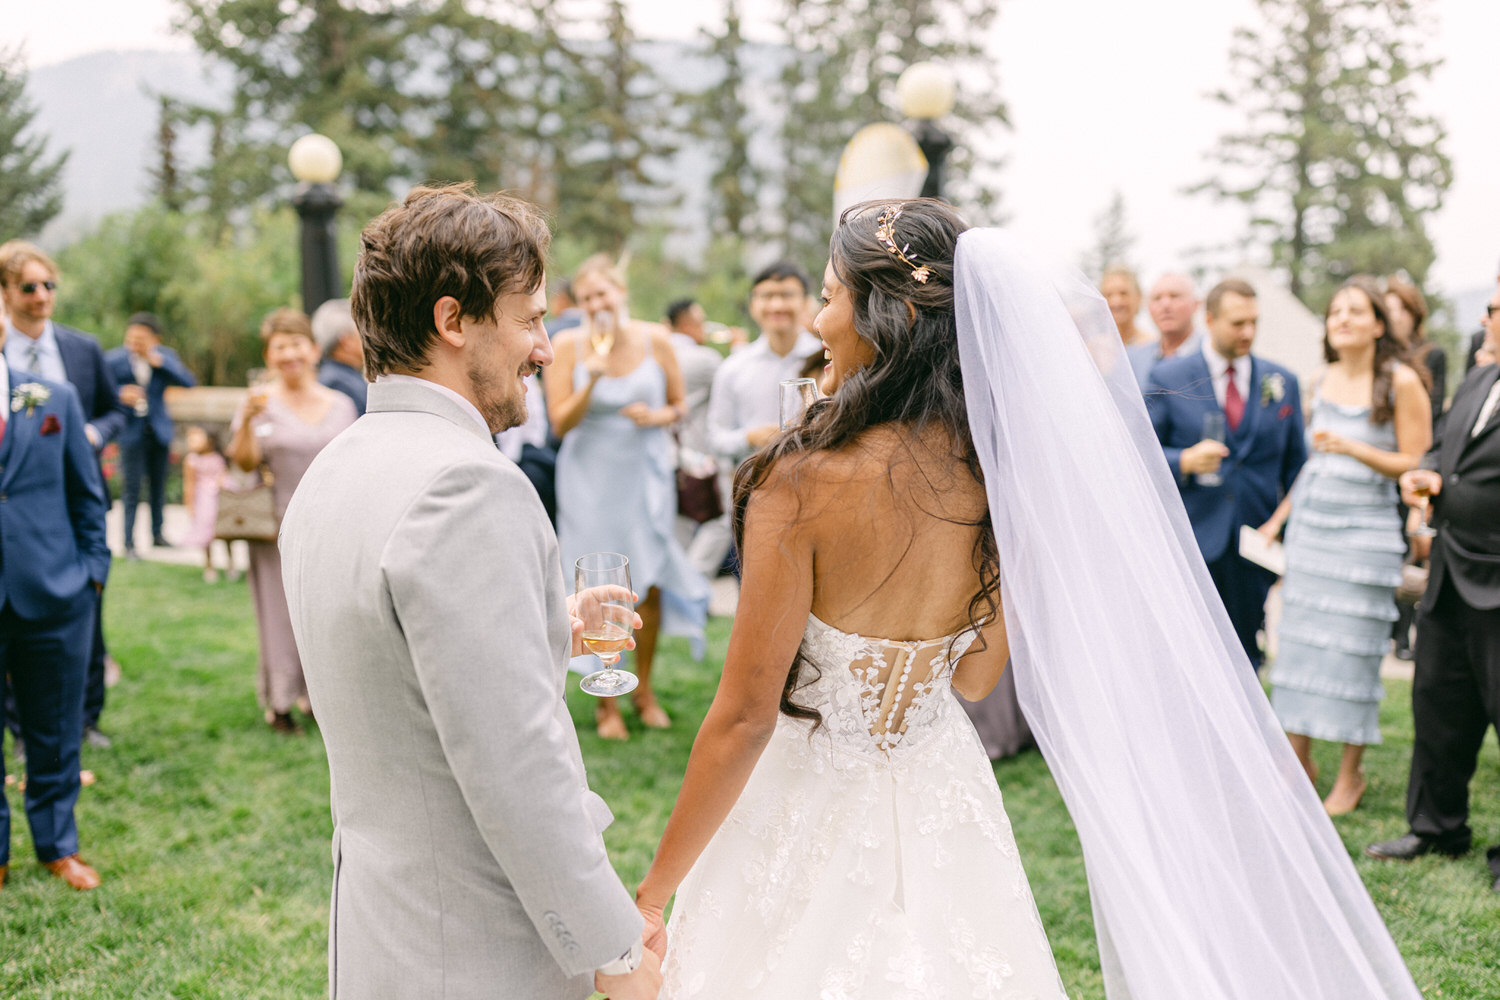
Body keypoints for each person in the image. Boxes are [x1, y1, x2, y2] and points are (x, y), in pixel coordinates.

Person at [636, 201, 1423, 999]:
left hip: (807, 796)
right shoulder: (1003, 479)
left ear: (891, 314)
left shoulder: (797, 482)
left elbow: (744, 715)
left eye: (833, 295)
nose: (817, 317)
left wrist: (653, 892)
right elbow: (975, 679)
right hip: (942, 790)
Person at [280, 183, 660, 1000]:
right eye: (530, 318)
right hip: (478, 950)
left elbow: (406, 661)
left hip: (382, 933)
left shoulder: (336, 468)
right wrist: (615, 955)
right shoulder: (469, 486)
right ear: (455, 322)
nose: (547, 348)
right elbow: (518, 767)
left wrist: (550, 621)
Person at [1262, 277, 1431, 815]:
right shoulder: (1321, 377)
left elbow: (1419, 462)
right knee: (1301, 648)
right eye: (1336, 311)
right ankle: (1299, 762)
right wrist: (1277, 521)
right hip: (1314, 529)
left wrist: (1353, 447)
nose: (1343, 319)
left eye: (1356, 311)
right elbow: (1314, 465)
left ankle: (1350, 774)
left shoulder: (1401, 381)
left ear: (1379, 325)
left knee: (1353, 654)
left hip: (1366, 534)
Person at [1366, 287, 1500, 892]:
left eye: (1493, 310)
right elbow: (1445, 446)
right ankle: (1436, 825)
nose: (1484, 318)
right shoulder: (1479, 379)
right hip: (1450, 574)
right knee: (1437, 704)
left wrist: (1446, 492)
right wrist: (1426, 471)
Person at [545, 255, 709, 740]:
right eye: (587, 297)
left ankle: (645, 689)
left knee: (648, 582)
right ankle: (606, 702)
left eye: (604, 294)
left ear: (620, 294)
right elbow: (559, 423)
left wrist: (655, 417)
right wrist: (592, 377)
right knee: (596, 586)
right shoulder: (568, 344)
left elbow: (679, 406)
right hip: (590, 480)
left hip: (644, 476)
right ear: (578, 304)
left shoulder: (655, 339)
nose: (597, 304)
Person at [0, 240, 127, 751]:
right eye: (29, 287)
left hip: (75, 496)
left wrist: (93, 433)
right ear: (6, 293)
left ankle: (87, 716)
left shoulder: (81, 348)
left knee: (86, 619)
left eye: (49, 285)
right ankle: (23, 725)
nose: (41, 296)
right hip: (22, 508)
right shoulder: (3, 355)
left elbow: (115, 409)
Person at [0, 321, 112, 891]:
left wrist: (91, 576)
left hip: (56, 595)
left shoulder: (54, 399)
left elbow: (85, 494)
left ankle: (57, 844)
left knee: (55, 729)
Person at [1145, 279, 1307, 669]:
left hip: (1255, 545)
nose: (1248, 332)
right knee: (1188, 659)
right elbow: (1138, 455)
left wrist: (1282, 530)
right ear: (1210, 318)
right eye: (1237, 323)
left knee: (1246, 659)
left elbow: (1297, 467)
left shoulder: (1282, 382)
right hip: (1191, 541)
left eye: (1254, 322)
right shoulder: (1169, 377)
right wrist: (1183, 461)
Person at [228, 308, 356, 734]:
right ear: (268, 355)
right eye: (280, 346)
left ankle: (320, 698)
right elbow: (243, 461)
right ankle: (280, 702)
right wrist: (246, 419)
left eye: (297, 343)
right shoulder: (260, 403)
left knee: (328, 615)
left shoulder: (341, 406)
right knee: (280, 615)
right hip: (276, 528)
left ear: (314, 349)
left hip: (334, 527)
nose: (290, 353)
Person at [693, 264, 823, 577]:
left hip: (817, 497)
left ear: (805, 303)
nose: (777, 305)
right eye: (767, 296)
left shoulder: (825, 357)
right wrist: (750, 437)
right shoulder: (733, 368)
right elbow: (715, 437)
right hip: (755, 504)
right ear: (753, 305)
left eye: (786, 295)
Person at [1382, 276, 1441, 660]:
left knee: (1411, 552)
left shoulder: (1428, 357)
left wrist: (1421, 504)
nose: (1390, 316)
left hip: (1414, 461)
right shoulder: (1376, 357)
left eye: (1396, 308)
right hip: (1384, 469)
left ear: (1412, 314)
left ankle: (1404, 634)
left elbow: (1433, 424)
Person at [105, 312, 197, 556]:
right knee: (131, 489)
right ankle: (128, 543)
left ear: (155, 338)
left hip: (158, 431)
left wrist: (160, 363)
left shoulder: (166, 357)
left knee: (158, 487)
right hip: (130, 432)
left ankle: (158, 535)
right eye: (131, 337)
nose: (135, 343)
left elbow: (189, 382)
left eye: (141, 338)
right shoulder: (114, 360)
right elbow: (100, 389)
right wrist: (119, 393)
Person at [666, 298, 725, 533]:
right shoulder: (706, 359)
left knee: (679, 522)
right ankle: (695, 570)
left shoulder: (658, 354)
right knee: (718, 520)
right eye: (701, 322)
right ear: (687, 325)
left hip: (665, 451)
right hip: (699, 451)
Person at [1126, 272, 1202, 388]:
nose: (1165, 305)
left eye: (1175, 296)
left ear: (1196, 304)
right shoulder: (1132, 361)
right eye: (1157, 298)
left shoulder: (1212, 352)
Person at [180, 426, 230, 583]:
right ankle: (210, 566)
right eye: (190, 439)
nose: (191, 442)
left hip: (220, 498)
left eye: (196, 438)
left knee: (226, 534)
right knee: (206, 537)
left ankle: (231, 564)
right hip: (204, 502)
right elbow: (189, 485)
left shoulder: (218, 457)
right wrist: (190, 506)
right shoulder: (191, 460)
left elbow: (224, 475)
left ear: (209, 440)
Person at [312, 298, 367, 416]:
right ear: (346, 341)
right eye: (362, 332)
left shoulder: (343, 376)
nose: (368, 338)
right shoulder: (338, 383)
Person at [1100, 266, 1149, 347]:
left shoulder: (1152, 345)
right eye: (1109, 295)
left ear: (1138, 297)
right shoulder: (1095, 348)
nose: (1116, 302)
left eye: (1123, 293)